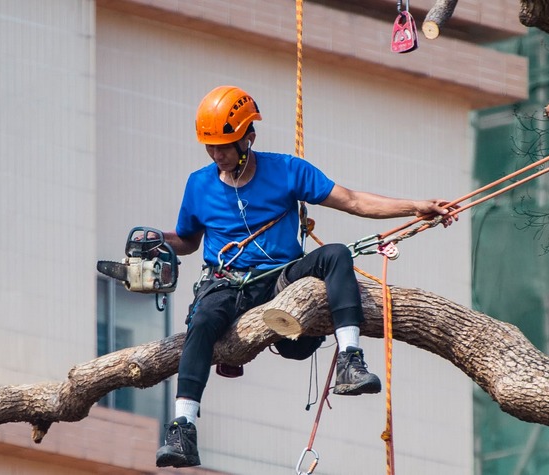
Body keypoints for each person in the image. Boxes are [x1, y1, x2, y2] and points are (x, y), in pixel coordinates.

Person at [154, 85, 456, 468]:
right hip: (227, 283)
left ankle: (351, 360)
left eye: (225, 146)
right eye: (210, 147)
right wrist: (157, 239)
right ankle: (183, 428)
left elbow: (353, 201)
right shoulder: (199, 184)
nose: (217, 155)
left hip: (281, 278)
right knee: (202, 323)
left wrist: (415, 207)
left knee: (335, 255)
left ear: (249, 137)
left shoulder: (286, 171)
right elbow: (188, 240)